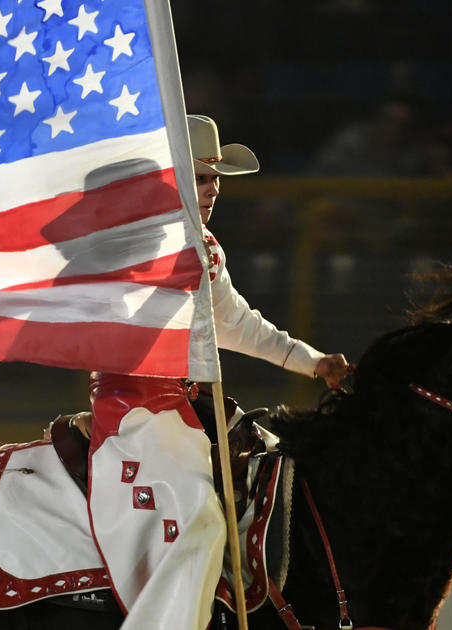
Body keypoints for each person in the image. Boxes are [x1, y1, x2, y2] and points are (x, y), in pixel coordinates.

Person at [84, 115, 350, 630]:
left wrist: (313, 362)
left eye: (215, 178)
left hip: (182, 404)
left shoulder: (203, 247)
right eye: (200, 177)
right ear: (171, 179)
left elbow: (235, 323)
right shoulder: (131, 243)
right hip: (134, 407)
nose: (212, 189)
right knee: (197, 515)